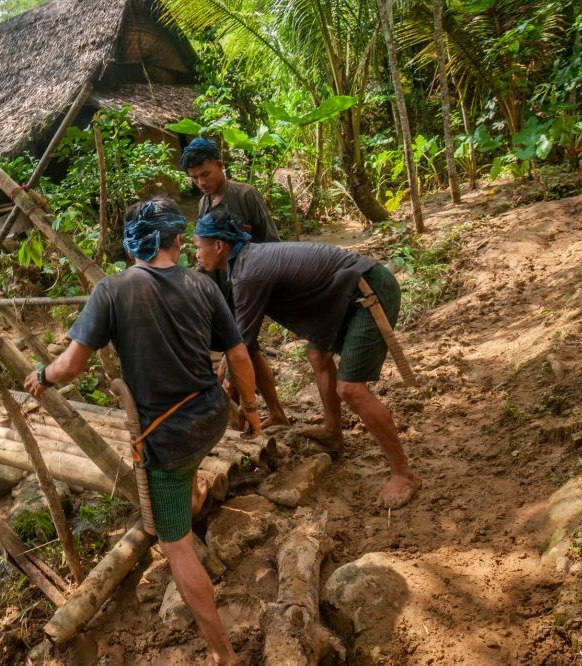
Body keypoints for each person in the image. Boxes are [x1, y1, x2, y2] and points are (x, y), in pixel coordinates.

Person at [24, 197, 262, 666]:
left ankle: (224, 655)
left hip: (166, 437)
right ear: (177, 239)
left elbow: (71, 365)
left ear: (131, 245)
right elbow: (237, 357)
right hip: (211, 417)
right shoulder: (204, 285)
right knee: (184, 473)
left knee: (174, 545)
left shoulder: (112, 291)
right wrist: (250, 408)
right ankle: (191, 497)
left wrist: (42, 375)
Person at [193, 213, 422, 509]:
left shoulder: (249, 273)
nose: (197, 254)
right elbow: (238, 340)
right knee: (317, 353)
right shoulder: (243, 264)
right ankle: (332, 432)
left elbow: (243, 346)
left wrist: (228, 386)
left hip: (368, 292)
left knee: (351, 389)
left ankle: (404, 474)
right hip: (345, 294)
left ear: (220, 245)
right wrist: (225, 375)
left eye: (199, 246)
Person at [180, 138, 289, 427]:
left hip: (250, 287)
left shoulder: (245, 195)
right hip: (222, 290)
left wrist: (269, 291)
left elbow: (272, 243)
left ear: (220, 165)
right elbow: (206, 252)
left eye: (206, 174)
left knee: (237, 351)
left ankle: (240, 418)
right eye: (194, 178)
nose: (201, 182)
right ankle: (276, 413)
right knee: (248, 351)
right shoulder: (204, 203)